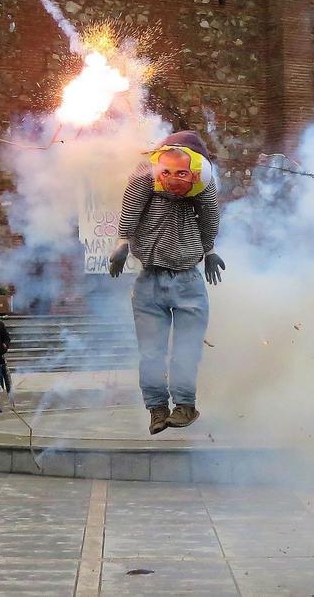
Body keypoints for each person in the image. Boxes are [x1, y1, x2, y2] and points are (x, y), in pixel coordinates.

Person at [109, 131, 223, 434]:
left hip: (187, 276)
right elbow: (131, 206)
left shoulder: (203, 184)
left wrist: (209, 249)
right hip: (151, 275)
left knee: (186, 349)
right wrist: (122, 242)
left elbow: (210, 217)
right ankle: (157, 408)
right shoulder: (146, 176)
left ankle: (184, 405)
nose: (174, 180)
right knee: (151, 352)